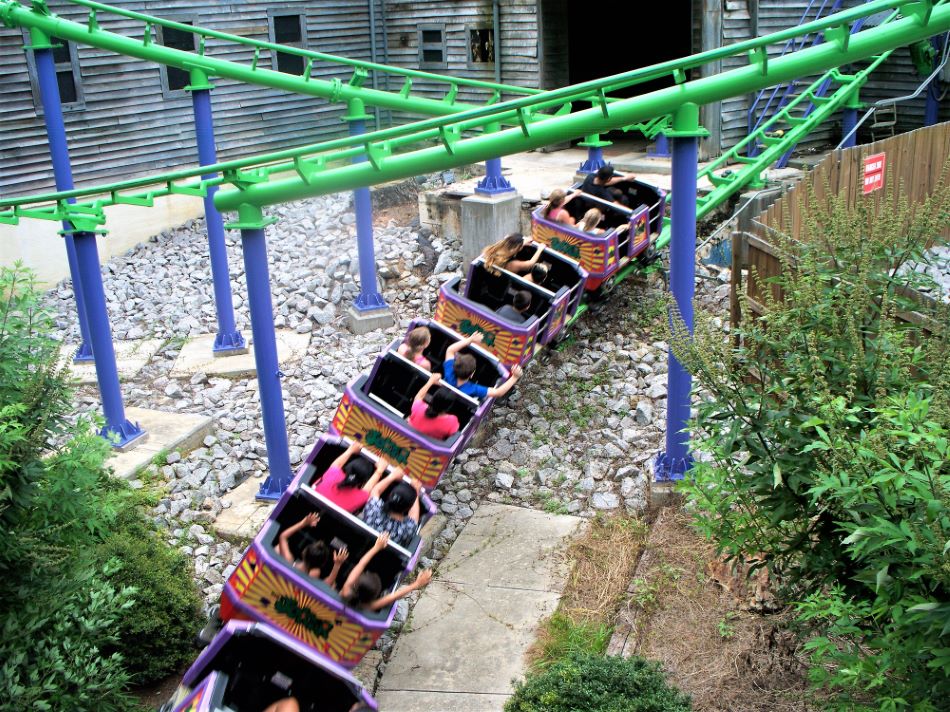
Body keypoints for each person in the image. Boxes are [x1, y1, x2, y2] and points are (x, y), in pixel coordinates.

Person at [341, 532, 433, 612]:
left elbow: (361, 564)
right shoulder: (368, 607)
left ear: (355, 583)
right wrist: (416, 584)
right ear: (375, 596)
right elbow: (393, 596)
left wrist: (376, 548)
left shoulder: (345, 590)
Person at [442, 332, 523, 400]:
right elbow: (498, 393)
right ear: (472, 374)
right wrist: (515, 377)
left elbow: (450, 350)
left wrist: (470, 339)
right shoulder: (473, 389)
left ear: (454, 366)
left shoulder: (449, 373)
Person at [277, 513, 349, 587]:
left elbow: (283, 537)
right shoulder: (312, 585)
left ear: (304, 551)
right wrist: (337, 564)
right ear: (321, 564)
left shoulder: (288, 562)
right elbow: (329, 582)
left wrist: (303, 523)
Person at [314, 440, 387, 513]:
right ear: (364, 482)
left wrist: (350, 450)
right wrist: (380, 469)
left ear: (346, 468)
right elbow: (368, 488)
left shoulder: (334, 475)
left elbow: (337, 464)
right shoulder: (360, 497)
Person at [361, 467, 424, 547]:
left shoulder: (373, 509)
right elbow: (414, 517)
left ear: (389, 496)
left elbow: (376, 490)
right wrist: (416, 492)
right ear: (408, 508)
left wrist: (392, 476)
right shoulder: (407, 529)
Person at [407, 373, 460, 440]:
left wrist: (431, 381)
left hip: (407, 440)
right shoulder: (451, 421)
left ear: (432, 399)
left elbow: (419, 396)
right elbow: (454, 434)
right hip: (424, 449)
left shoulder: (419, 408)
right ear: (449, 407)